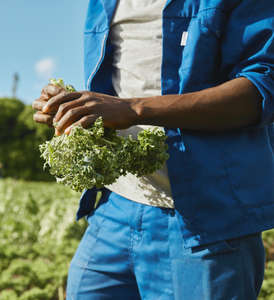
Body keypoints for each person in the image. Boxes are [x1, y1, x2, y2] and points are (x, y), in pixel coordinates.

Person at [32, 0, 274, 299]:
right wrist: (73, 108)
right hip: (116, 206)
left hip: (207, 220)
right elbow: (121, 84)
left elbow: (261, 88)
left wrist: (133, 108)